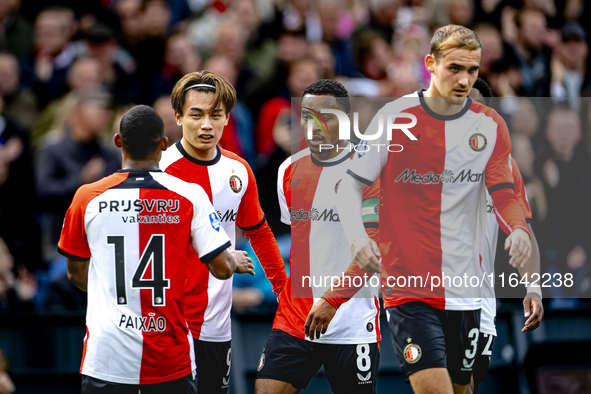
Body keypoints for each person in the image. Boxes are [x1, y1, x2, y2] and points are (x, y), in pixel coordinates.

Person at [322, 25, 531, 394]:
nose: (465, 79)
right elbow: (350, 187)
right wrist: (356, 238)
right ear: (430, 64)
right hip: (409, 290)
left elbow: (504, 192)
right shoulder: (394, 118)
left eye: (473, 70)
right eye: (455, 68)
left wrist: (517, 228)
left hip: (465, 292)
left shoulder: (491, 125)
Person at [57, 105, 253, 393]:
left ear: (117, 141)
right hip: (169, 356)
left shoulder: (87, 197)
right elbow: (222, 269)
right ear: (164, 144)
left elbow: (75, 273)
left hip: (107, 357)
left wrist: (110, 289)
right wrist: (233, 259)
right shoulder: (188, 194)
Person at [161, 71, 288, 394]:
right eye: (196, 115)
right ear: (178, 116)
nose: (207, 125)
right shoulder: (159, 171)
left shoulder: (238, 171)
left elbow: (259, 233)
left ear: (227, 117)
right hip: (166, 326)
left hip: (217, 325)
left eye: (215, 115)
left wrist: (284, 294)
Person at [255, 79, 381, 394]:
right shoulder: (288, 170)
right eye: (307, 115)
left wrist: (331, 300)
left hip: (351, 322)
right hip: (296, 319)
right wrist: (282, 288)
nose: (314, 125)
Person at [467, 79, 544, 394]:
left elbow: (523, 230)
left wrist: (534, 288)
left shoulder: (504, 167)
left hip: (476, 298)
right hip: (422, 293)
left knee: (464, 387)